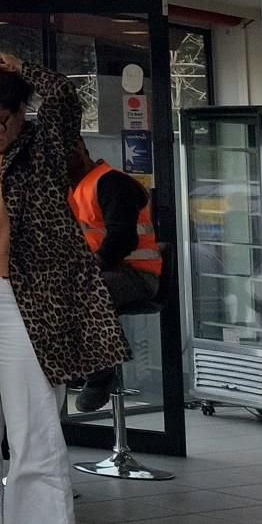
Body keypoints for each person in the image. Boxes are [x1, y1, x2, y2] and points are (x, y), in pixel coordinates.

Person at [0, 52, 129, 524]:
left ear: (19, 113)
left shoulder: (43, 145)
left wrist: (23, 67)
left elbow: (64, 99)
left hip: (24, 299)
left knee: (34, 431)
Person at [68, 142, 162, 413]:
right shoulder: (73, 188)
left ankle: (101, 374)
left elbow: (123, 239)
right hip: (105, 273)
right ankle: (80, 364)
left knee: (84, 291)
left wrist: (88, 269)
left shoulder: (112, 183)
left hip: (138, 274)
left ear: (77, 153)